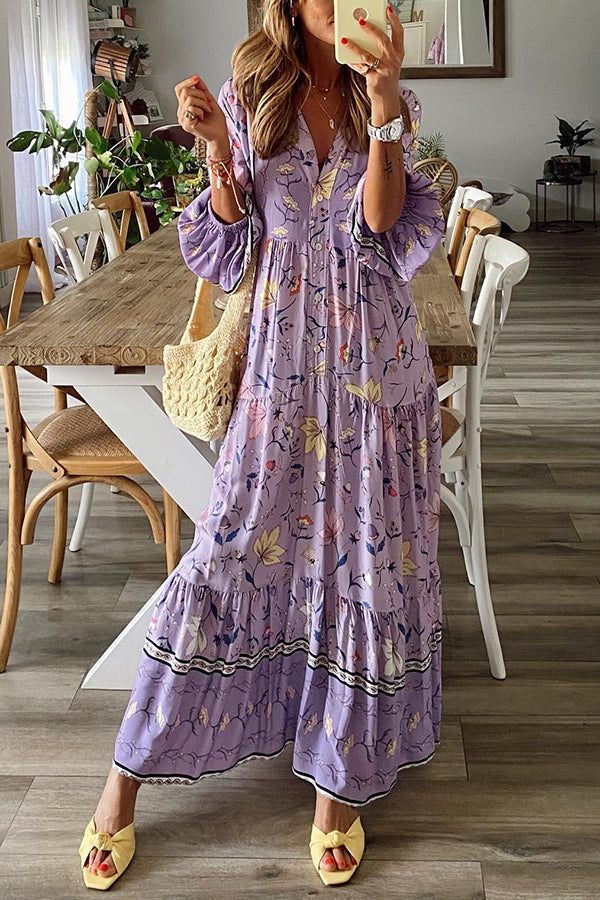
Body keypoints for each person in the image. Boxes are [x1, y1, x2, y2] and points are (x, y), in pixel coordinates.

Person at [79, 0, 445, 888]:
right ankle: (124, 779)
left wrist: (384, 98)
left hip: (374, 366)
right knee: (227, 552)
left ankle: (336, 788)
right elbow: (234, 241)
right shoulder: (254, 90)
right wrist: (215, 146)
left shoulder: (384, 96)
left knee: (365, 567)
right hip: (279, 363)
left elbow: (381, 227)